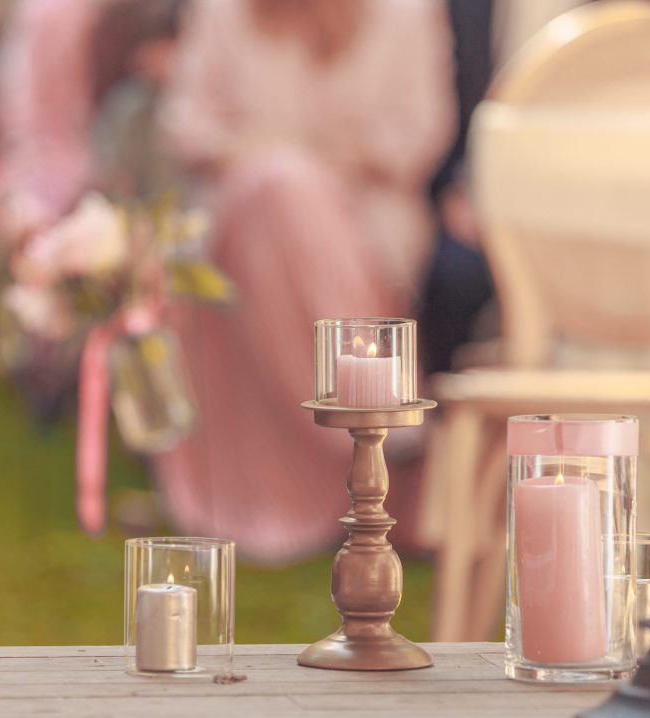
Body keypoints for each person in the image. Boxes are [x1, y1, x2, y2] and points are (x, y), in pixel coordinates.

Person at [155, 0, 455, 563]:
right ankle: (377, 430)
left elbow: (418, 135)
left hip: (366, 220)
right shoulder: (221, 13)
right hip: (241, 217)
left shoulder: (408, 15)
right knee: (278, 186)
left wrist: (318, 169)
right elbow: (186, 126)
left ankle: (359, 443)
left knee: (289, 187)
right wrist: (272, 163)